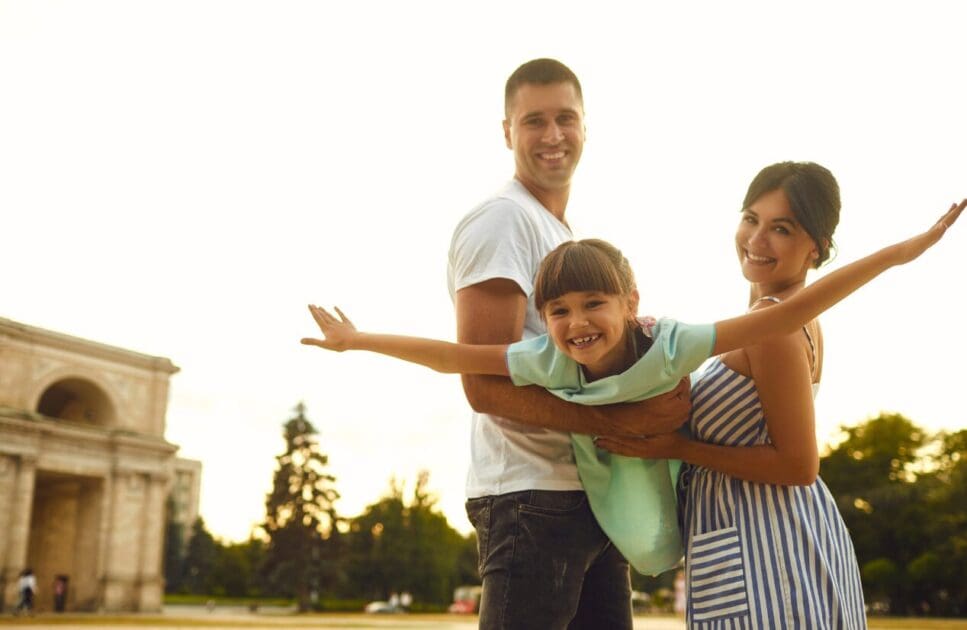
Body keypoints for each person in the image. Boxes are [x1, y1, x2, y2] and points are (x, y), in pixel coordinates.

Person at [303, 191, 963, 611]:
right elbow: (454, 358)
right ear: (543, 319)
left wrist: (898, 255)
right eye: (558, 310)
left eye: (594, 303)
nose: (577, 322)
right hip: (610, 516)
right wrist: (358, 340)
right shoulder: (545, 356)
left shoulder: (671, 344)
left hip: (665, 518)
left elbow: (783, 315)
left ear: (631, 303)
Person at [593, 162, 943, 628]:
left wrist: (678, 447)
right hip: (768, 540)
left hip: (768, 550)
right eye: (751, 218)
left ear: (814, 248)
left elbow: (798, 465)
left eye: (781, 228)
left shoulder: (773, 329)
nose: (756, 239)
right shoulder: (780, 319)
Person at [439, 57, 689, 629]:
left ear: (584, 126)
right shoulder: (503, 220)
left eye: (565, 118)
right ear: (507, 131)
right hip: (529, 498)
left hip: (582, 492)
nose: (552, 136)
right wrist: (621, 424)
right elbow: (483, 385)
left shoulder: (560, 233)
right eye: (533, 121)